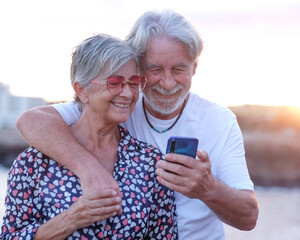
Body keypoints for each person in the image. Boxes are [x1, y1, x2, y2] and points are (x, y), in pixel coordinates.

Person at [16, 9, 258, 240]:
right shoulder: (117, 103)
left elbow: (249, 217)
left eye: (178, 69)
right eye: (154, 69)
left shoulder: (220, 121)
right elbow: (31, 121)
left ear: (194, 67)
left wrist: (208, 188)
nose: (166, 82)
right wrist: (90, 170)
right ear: (139, 66)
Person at [1, 34, 177, 239]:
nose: (128, 94)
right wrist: (72, 218)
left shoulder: (150, 162)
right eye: (114, 82)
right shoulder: (33, 163)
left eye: (134, 82)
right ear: (82, 90)